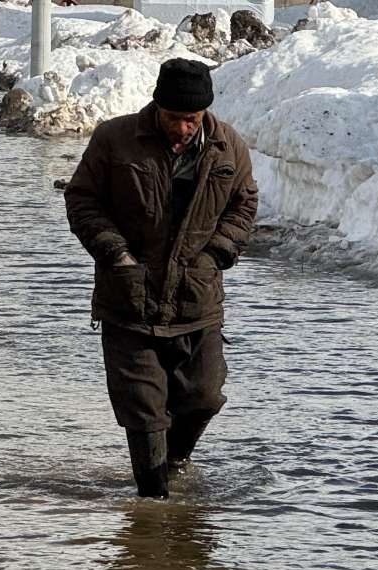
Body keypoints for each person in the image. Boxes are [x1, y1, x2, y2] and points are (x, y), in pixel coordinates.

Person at [65, 58, 258, 498]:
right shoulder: (115, 139)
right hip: (128, 299)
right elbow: (82, 199)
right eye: (175, 118)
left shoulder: (229, 147)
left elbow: (244, 205)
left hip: (197, 299)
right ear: (157, 106)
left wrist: (216, 254)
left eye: (192, 119)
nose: (184, 128)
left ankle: (175, 459)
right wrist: (116, 253)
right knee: (144, 409)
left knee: (204, 396)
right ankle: (153, 508)